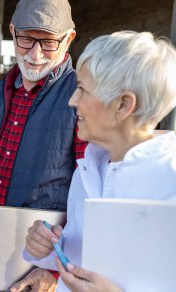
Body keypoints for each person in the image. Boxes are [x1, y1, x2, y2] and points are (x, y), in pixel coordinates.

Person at [11, 30, 176, 292]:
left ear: (123, 105)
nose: (72, 101)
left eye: (82, 89)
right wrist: (47, 249)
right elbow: (83, 258)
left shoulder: (169, 179)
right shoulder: (89, 169)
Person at [0, 0, 87, 275]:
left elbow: (90, 190)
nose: (35, 54)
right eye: (26, 40)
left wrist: (55, 269)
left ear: (68, 39)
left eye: (48, 43)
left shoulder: (80, 95)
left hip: (47, 253)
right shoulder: (2, 89)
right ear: (12, 32)